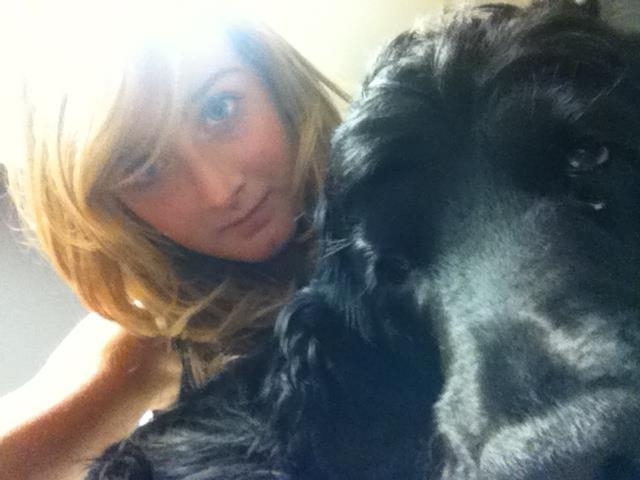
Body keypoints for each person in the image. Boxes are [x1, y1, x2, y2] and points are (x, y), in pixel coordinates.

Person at [0, 2, 347, 479]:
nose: (219, 190)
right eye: (146, 168)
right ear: (110, 209)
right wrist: (128, 379)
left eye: (219, 109)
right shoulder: (146, 346)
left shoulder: (423, 217)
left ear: (272, 81)